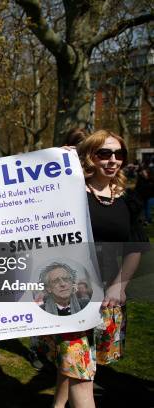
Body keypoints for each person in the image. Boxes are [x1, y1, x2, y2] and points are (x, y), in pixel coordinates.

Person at [39, 130, 149, 408]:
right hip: (70, 296)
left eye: (118, 154)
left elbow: (136, 247)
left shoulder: (128, 199)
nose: (113, 160)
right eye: (104, 153)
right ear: (90, 156)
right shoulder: (70, 191)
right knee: (82, 370)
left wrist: (119, 285)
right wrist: (54, 161)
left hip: (109, 298)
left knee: (79, 364)